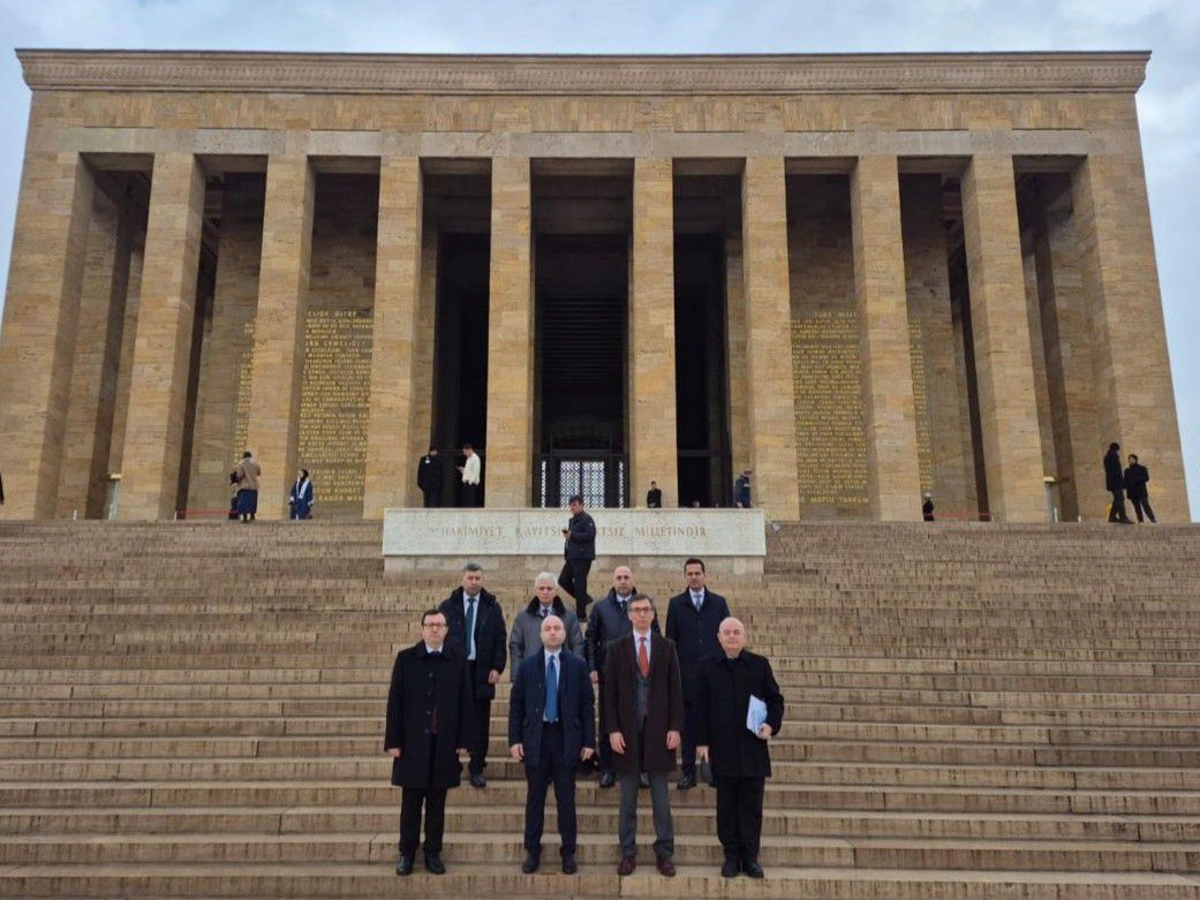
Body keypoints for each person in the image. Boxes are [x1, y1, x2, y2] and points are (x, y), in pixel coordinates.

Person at [384, 608, 473, 877]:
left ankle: (433, 852)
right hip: (412, 744)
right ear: (422, 629)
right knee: (410, 803)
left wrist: (464, 739)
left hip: (443, 743)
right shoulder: (406, 659)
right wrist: (393, 741)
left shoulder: (458, 660)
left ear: (446, 630)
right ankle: (407, 852)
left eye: (439, 625)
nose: (434, 629)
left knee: (437, 804)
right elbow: (395, 702)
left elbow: (465, 702)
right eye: (430, 624)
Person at [696, 617, 785, 880]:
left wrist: (771, 725)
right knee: (726, 808)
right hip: (722, 749)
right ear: (719, 637)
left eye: (736, 632)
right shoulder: (706, 667)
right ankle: (731, 856)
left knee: (751, 807)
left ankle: (751, 857)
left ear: (744, 637)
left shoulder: (759, 665)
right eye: (727, 632)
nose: (732, 636)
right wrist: (702, 742)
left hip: (753, 749)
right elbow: (699, 707)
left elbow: (775, 700)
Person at [508, 614, 596, 875]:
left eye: (557, 628)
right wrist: (514, 740)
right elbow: (516, 706)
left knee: (566, 799)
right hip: (536, 738)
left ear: (565, 633)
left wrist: (589, 741)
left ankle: (568, 852)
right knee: (535, 798)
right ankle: (532, 851)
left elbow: (587, 707)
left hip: (566, 739)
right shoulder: (527, 667)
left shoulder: (577, 666)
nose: (553, 632)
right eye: (548, 628)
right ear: (541, 634)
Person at [604, 593, 683, 877]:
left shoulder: (667, 647)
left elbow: (675, 690)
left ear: (653, 614)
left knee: (661, 800)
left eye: (645, 610)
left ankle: (665, 852)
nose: (641, 614)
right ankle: (628, 852)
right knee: (627, 800)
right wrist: (612, 729)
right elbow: (609, 694)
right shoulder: (616, 648)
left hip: (659, 732)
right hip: (626, 733)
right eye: (636, 610)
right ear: (629, 615)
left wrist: (675, 727)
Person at [586, 565, 659, 788]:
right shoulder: (600, 607)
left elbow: (656, 636)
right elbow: (590, 639)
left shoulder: (645, 606)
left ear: (633, 579)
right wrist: (592, 667)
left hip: (639, 674)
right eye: (619, 577)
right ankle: (608, 769)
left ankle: (641, 769)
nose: (623, 581)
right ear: (613, 580)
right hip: (609, 673)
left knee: (640, 722)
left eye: (627, 577)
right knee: (608, 721)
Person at [438, 562, 506, 787]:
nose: (474, 582)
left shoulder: (492, 607)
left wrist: (497, 667)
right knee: (452, 717)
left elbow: (500, 638)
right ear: (463, 579)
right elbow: (439, 636)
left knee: (480, 722)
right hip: (454, 669)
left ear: (482, 580)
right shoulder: (448, 606)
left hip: (481, 670)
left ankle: (477, 766)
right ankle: (452, 764)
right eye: (470, 578)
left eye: (478, 578)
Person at [665, 558, 730, 790]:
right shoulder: (676, 604)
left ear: (704, 575)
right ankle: (688, 772)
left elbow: (727, 635)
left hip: (714, 675)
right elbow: (671, 641)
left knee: (716, 725)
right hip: (687, 676)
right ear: (685, 576)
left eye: (697, 573)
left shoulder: (719, 603)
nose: (693, 577)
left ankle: (715, 771)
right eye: (689, 573)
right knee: (689, 728)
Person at [509, 572, 585, 681]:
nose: (545, 592)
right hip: (531, 673)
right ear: (536, 590)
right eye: (541, 588)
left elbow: (577, 644)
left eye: (549, 588)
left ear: (556, 591)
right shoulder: (523, 616)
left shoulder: (569, 615)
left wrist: (576, 672)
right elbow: (516, 646)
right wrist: (516, 676)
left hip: (561, 673)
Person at [558, 494, 597, 619]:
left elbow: (590, 535)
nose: (572, 507)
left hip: (582, 557)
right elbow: (571, 538)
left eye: (574, 505)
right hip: (572, 557)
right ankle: (584, 598)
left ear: (581, 505)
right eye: (571, 505)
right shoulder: (572, 520)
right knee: (563, 580)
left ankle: (581, 614)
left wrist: (572, 535)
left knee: (580, 585)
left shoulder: (587, 519)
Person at [1124, 454, 1157, 524]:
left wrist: (1135, 480)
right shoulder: (1127, 471)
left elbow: (1146, 478)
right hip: (1132, 492)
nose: (1130, 460)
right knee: (1137, 507)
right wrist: (1128, 492)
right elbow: (1126, 482)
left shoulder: (1142, 468)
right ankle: (1140, 520)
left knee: (1145, 504)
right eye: (1129, 459)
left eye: (1132, 459)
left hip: (1141, 491)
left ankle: (1152, 518)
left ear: (1135, 460)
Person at [1104, 442, 1132, 524]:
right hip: (1116, 482)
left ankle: (1112, 517)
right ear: (1116, 449)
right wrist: (1121, 482)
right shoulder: (1114, 456)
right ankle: (1123, 517)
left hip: (1112, 482)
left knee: (1117, 499)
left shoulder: (1107, 457)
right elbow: (1117, 471)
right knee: (1120, 499)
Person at [234, 451, 261, 523]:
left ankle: (245, 517)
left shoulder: (241, 463)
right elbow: (259, 473)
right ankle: (252, 515)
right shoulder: (255, 463)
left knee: (244, 502)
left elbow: (239, 475)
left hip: (244, 486)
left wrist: (235, 478)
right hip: (253, 486)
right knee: (252, 502)